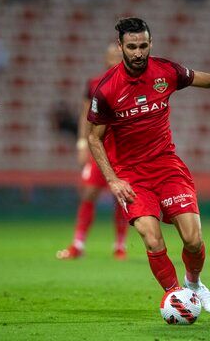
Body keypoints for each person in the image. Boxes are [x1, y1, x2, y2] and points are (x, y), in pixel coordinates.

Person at [87, 17, 210, 315]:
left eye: (143, 45)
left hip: (167, 167)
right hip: (131, 176)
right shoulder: (107, 90)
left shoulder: (166, 71)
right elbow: (94, 139)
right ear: (120, 46)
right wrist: (112, 179)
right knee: (151, 236)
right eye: (132, 46)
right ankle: (177, 296)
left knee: (193, 238)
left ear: (151, 44)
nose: (138, 53)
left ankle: (194, 284)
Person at [56, 43, 128, 260]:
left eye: (119, 54)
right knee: (88, 193)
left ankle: (120, 245)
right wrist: (81, 143)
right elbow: (85, 115)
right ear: (106, 59)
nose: (116, 57)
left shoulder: (132, 83)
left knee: (123, 197)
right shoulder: (95, 84)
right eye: (112, 55)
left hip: (124, 150)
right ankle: (78, 244)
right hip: (100, 148)